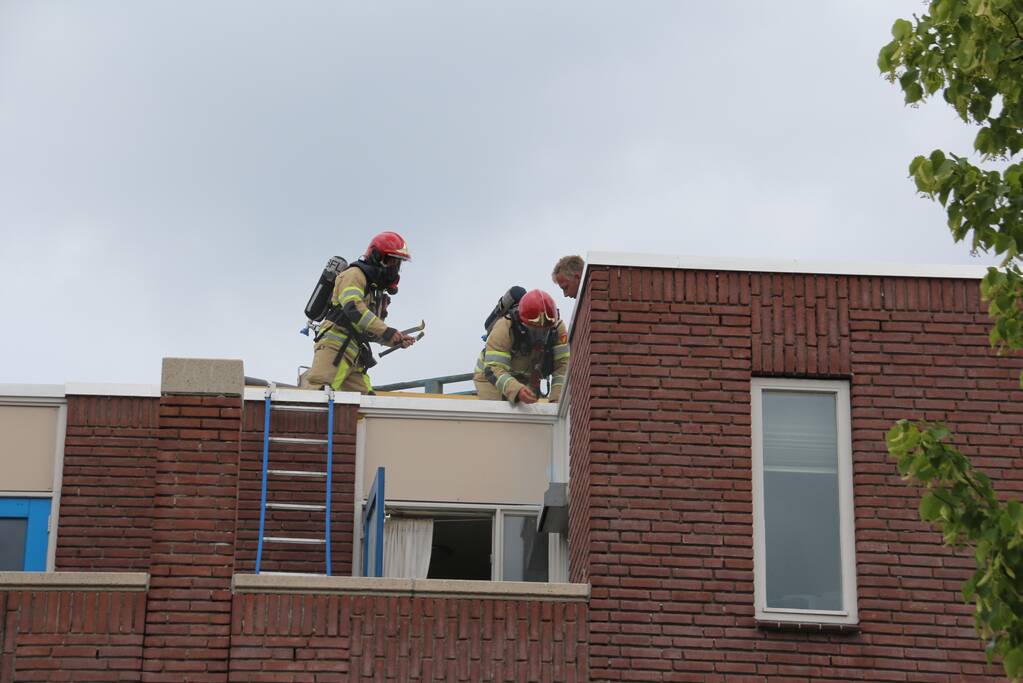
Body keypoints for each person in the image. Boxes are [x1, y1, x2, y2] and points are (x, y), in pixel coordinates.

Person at [300, 231, 416, 393]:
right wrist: (386, 330)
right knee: (317, 395)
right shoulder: (354, 275)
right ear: (376, 256)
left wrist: (394, 339)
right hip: (335, 349)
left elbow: (367, 330)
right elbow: (353, 308)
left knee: (366, 404)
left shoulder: (373, 289)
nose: (394, 268)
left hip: (354, 356)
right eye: (391, 261)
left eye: (398, 264)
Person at [473, 289, 569, 404]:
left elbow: (563, 366)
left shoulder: (557, 329)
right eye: (534, 329)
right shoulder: (504, 327)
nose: (540, 335)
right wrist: (517, 391)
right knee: (499, 415)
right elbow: (494, 368)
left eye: (545, 330)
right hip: (491, 379)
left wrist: (557, 399)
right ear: (521, 323)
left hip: (526, 378)